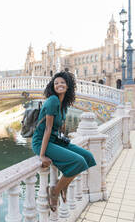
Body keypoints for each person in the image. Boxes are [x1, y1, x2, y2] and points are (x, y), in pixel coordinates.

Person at [32, 71, 96, 212]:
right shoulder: (53, 100)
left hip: (55, 140)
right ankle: (54, 191)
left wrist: (66, 142)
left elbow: (59, 127)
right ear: (52, 86)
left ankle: (63, 185)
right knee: (79, 161)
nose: (59, 85)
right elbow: (48, 129)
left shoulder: (64, 103)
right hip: (42, 142)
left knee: (88, 157)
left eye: (62, 82)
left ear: (68, 86)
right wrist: (42, 155)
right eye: (56, 83)